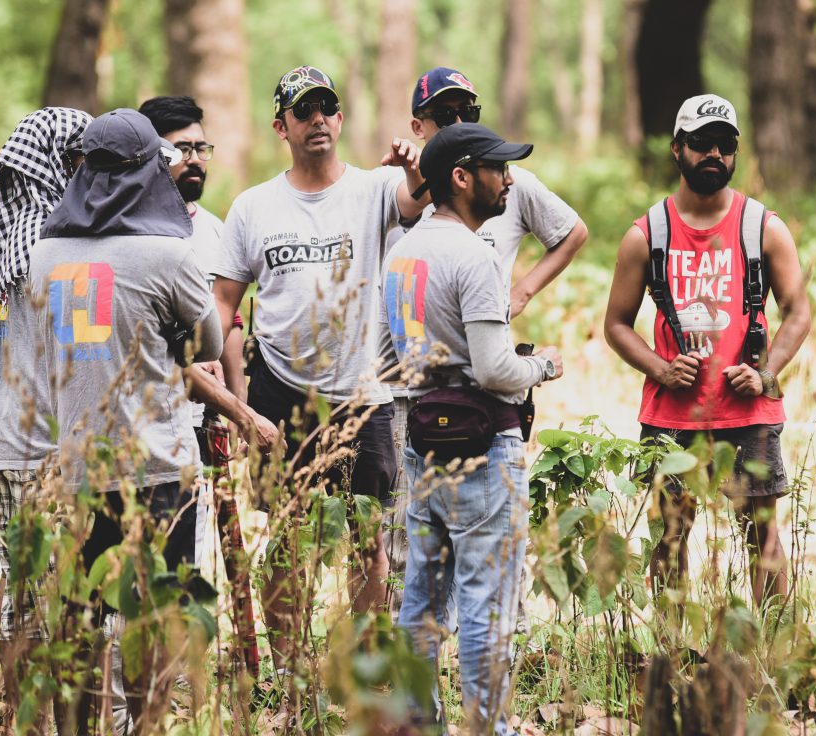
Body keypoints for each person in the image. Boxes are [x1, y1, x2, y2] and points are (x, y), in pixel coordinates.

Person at [210, 65, 428, 676]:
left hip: (363, 392)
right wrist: (235, 398)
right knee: (287, 538)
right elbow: (224, 304)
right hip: (282, 390)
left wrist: (414, 167)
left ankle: (364, 665)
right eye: (302, 111)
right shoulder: (254, 206)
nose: (316, 120)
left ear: (339, 118)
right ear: (281, 126)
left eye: (326, 108)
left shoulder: (375, 188)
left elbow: (419, 199)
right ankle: (286, 668)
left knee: (368, 539)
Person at [29, 108, 223, 730]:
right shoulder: (169, 253)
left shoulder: (43, 253)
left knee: (81, 626)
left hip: (78, 471)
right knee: (153, 626)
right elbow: (210, 345)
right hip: (159, 471)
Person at [380, 122, 563, 735]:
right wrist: (544, 366)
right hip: (485, 449)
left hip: (421, 445)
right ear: (461, 177)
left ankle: (415, 722)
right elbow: (494, 368)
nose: (509, 178)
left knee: (421, 601)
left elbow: (397, 358)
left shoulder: (401, 253)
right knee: (487, 604)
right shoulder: (475, 256)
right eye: (497, 167)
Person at [383, 67, 588, 610]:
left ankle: (476, 661)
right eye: (445, 114)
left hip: (475, 383)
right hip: (418, 396)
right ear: (418, 125)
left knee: (471, 571)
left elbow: (572, 231)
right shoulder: (404, 193)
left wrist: (519, 292)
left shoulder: (503, 186)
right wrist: (541, 367)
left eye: (466, 112)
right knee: (435, 565)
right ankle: (466, 673)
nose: (456, 121)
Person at [603, 94, 811, 607]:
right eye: (701, 144)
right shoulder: (646, 234)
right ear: (677, 149)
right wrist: (660, 368)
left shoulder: (763, 226)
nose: (713, 153)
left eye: (724, 144)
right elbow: (615, 325)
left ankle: (772, 656)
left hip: (749, 414)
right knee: (669, 540)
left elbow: (798, 312)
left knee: (761, 539)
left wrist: (765, 372)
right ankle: (676, 658)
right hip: (672, 418)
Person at [139, 94, 275, 679]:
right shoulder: (129, 230)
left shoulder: (214, 231)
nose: (195, 160)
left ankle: (180, 683)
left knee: (185, 560)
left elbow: (230, 329)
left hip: (201, 420)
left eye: (201, 148)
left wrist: (239, 408)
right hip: (136, 420)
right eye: (180, 149)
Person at [0, 105, 92, 721]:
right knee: (64, 599)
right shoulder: (60, 246)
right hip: (50, 444)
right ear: (60, 161)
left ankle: (27, 721)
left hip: (1, 436)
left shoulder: (0, 237)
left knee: (20, 593)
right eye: (80, 156)